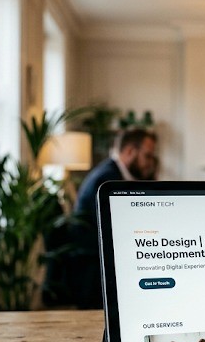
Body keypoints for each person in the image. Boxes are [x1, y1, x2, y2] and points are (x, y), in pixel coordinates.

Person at [66, 128, 158, 309]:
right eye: (147, 156)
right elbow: (117, 231)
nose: (150, 163)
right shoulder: (107, 180)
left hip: (98, 265)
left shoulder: (114, 174)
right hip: (92, 274)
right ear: (130, 151)